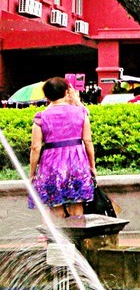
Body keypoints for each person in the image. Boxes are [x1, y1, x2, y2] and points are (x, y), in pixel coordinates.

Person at [28, 77, 96, 217]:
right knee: (77, 202)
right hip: (77, 161)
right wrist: (92, 166)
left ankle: (59, 230)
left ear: (46, 96)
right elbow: (88, 141)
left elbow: (35, 147)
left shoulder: (41, 117)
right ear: (66, 92)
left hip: (51, 164)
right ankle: (77, 229)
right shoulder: (81, 112)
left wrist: (32, 173)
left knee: (54, 203)